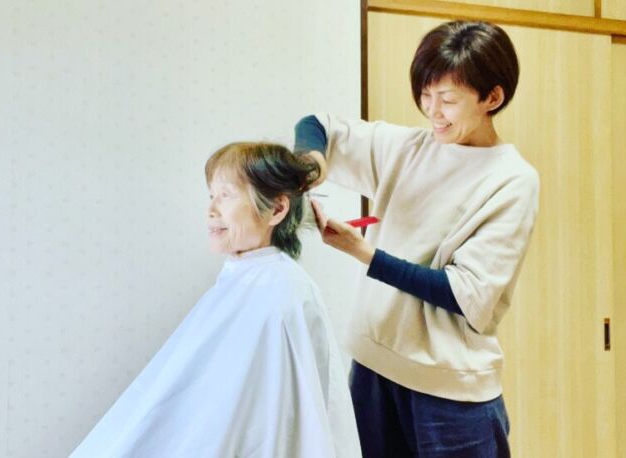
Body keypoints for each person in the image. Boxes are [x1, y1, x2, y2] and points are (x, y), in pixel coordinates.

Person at [294, 21, 539, 457]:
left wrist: (364, 253)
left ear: (492, 98)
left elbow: (463, 294)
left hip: (450, 391)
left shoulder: (512, 180)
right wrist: (311, 161)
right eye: (426, 95)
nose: (433, 111)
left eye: (448, 99)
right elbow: (317, 125)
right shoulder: (407, 147)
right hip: (373, 369)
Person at [70, 142, 361, 458]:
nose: (211, 210)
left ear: (277, 209)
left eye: (226, 195)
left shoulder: (284, 292)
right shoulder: (243, 277)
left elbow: (277, 422)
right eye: (211, 195)